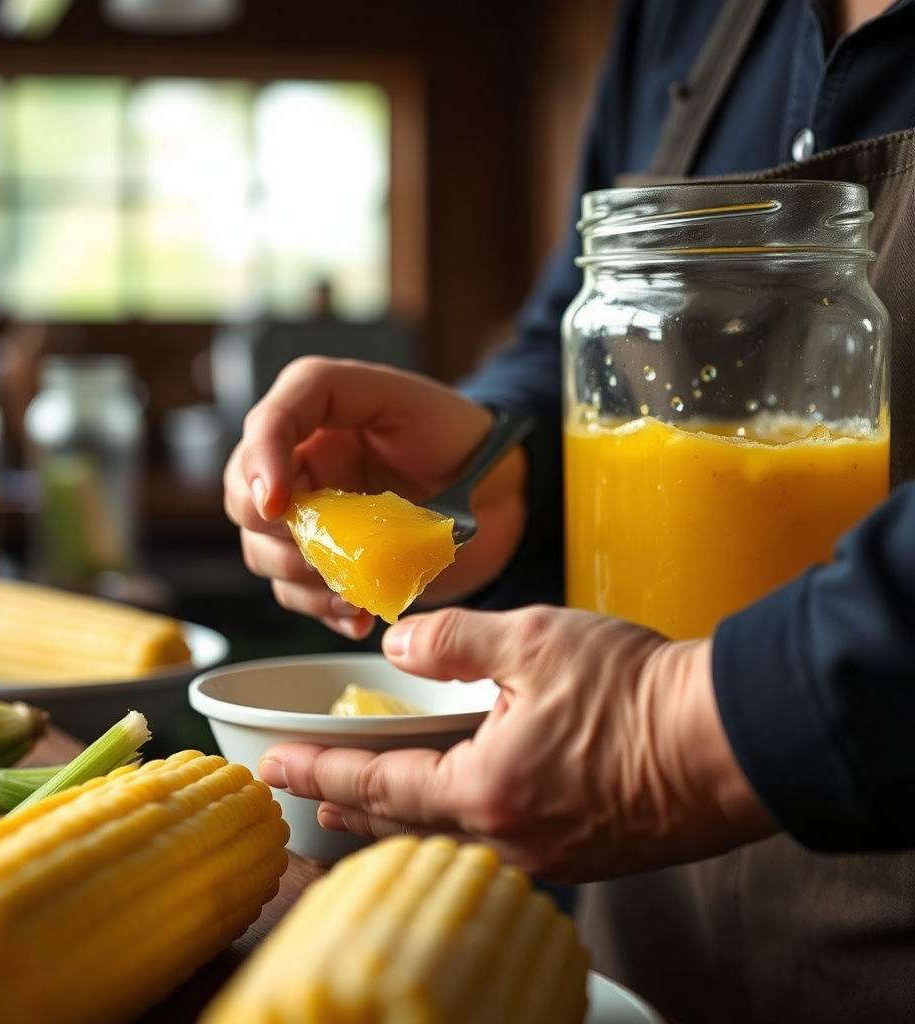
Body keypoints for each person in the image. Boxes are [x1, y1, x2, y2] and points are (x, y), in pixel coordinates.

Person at [223, 1, 915, 1021]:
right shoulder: (681, 17)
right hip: (643, 944)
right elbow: (576, 318)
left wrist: (691, 727)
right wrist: (503, 471)